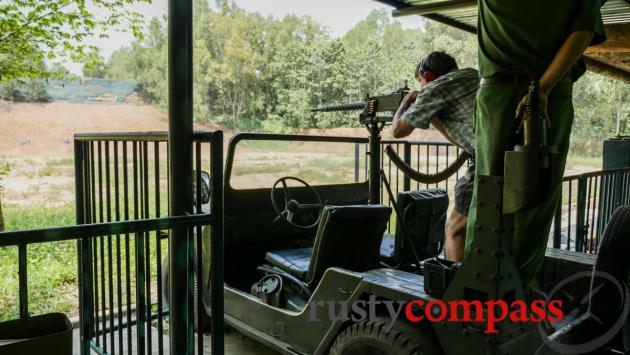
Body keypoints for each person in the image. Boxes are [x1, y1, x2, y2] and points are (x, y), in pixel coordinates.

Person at [466, 0, 606, 286]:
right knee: (531, 198)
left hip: (502, 92)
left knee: (492, 196)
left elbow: (584, 30)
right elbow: (584, 30)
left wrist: (541, 89)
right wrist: (544, 88)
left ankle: (489, 289)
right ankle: (511, 288)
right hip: (541, 94)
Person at [392, 51, 478, 262]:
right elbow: (461, 139)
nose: (421, 87)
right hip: (510, 155)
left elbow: (398, 130)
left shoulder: (433, 87)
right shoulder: (471, 75)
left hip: (488, 162)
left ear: (428, 76)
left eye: (421, 81)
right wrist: (432, 114)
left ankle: (454, 290)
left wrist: (405, 102)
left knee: (454, 229)